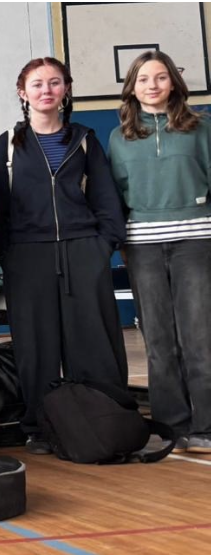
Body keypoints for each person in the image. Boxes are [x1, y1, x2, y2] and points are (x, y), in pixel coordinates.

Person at [0, 57, 128, 454]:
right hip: (27, 257)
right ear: (22, 92)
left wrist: (102, 247)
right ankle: (40, 426)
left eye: (54, 82)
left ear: (65, 89)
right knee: (36, 347)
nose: (46, 90)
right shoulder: (6, 146)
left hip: (84, 251)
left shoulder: (84, 140)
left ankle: (106, 421)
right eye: (37, 84)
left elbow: (105, 199)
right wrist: (8, 253)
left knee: (94, 342)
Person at [107, 50, 211, 454]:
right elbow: (117, 195)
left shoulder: (201, 127)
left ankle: (205, 426)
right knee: (158, 340)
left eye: (161, 77)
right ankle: (172, 426)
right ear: (132, 88)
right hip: (143, 247)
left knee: (199, 337)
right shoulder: (120, 137)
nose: (153, 85)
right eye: (144, 79)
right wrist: (122, 245)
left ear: (174, 83)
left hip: (196, 242)